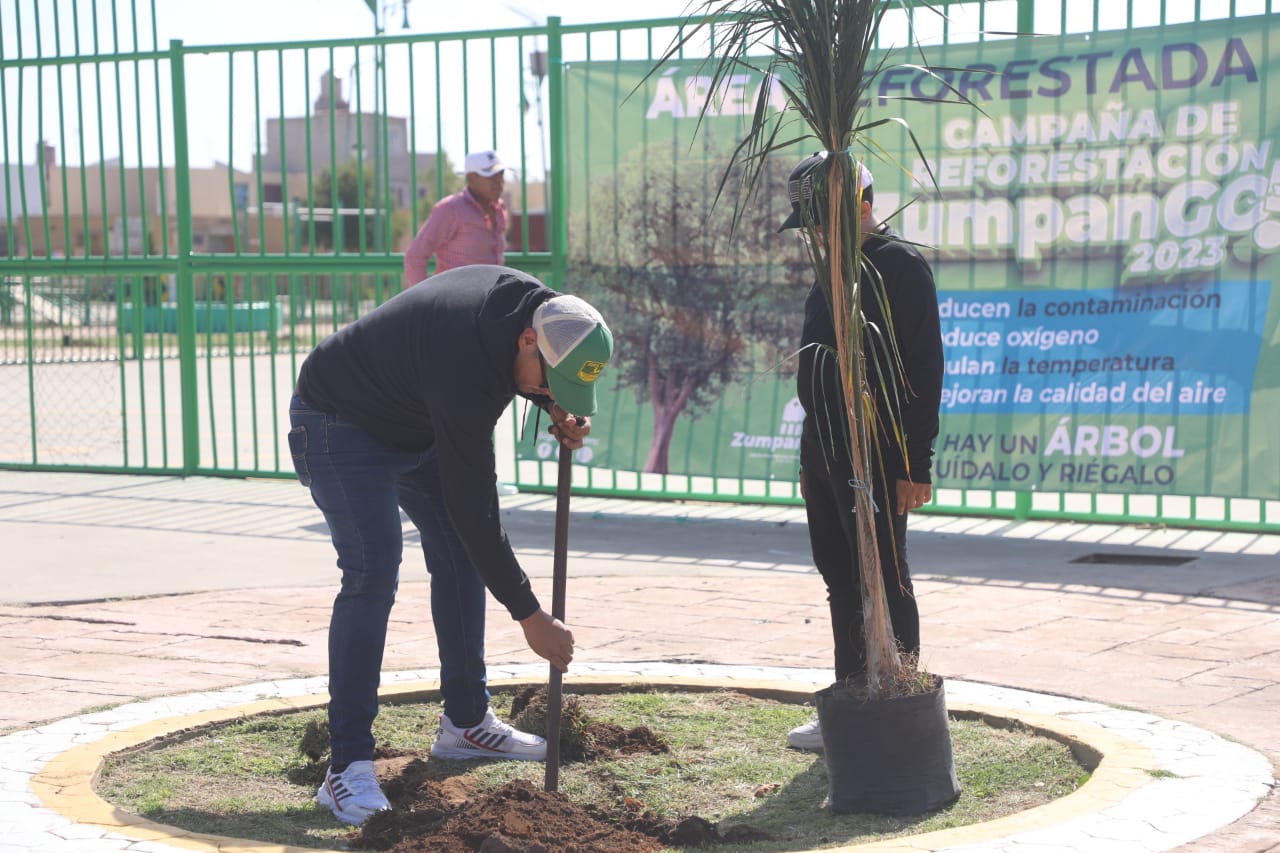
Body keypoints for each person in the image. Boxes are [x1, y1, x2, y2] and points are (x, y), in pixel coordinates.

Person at [287, 264, 613, 825]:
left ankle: (465, 725)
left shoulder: (532, 314)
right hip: (339, 420)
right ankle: (346, 769)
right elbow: (475, 511)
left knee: (458, 555)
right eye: (548, 380)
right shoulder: (465, 367)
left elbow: (526, 373)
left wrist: (555, 405)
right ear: (528, 339)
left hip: (417, 417)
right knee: (373, 571)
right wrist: (530, 615)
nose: (544, 389)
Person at [778, 153, 944, 751]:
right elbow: (815, 367)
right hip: (825, 451)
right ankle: (850, 700)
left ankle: (900, 701)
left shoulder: (898, 265)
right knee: (839, 579)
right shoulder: (831, 269)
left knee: (885, 577)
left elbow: (924, 368)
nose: (817, 235)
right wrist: (807, 456)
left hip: (878, 453)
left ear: (864, 207)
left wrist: (913, 464)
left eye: (824, 221)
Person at [403, 149, 510, 288]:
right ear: (471, 178)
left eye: (501, 174)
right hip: (456, 302)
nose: (499, 181)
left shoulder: (500, 209)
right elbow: (415, 256)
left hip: (489, 301)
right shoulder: (451, 209)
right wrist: (427, 301)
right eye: (491, 176)